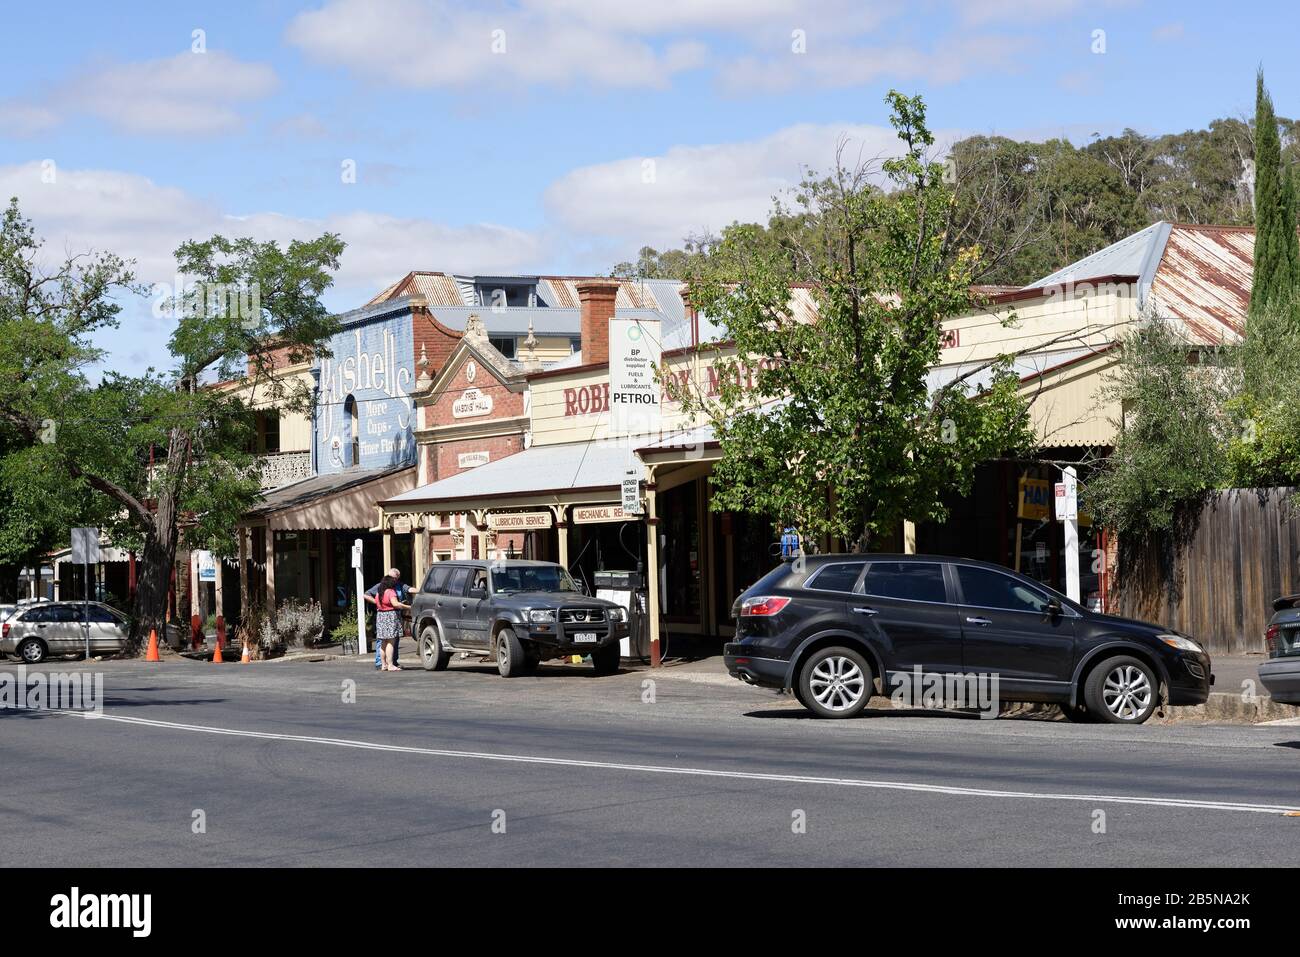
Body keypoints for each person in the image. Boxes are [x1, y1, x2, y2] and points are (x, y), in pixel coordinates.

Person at [364, 568, 410, 669]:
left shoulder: (379, 592)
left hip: (380, 616)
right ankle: (390, 665)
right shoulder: (390, 592)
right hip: (390, 616)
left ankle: (383, 664)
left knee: (382, 642)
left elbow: (376, 602)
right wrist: (408, 607)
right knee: (391, 642)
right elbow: (396, 604)